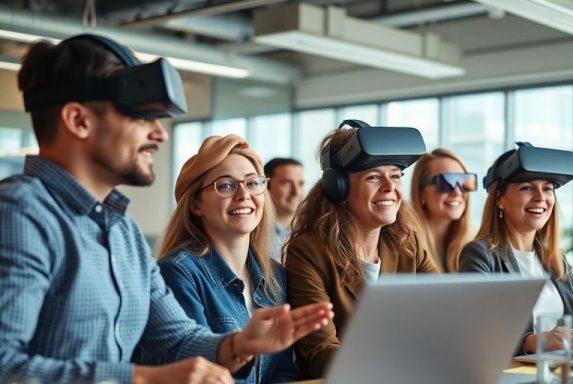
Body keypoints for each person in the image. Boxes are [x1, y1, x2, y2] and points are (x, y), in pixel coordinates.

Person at [0, 33, 332, 384]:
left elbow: (176, 338)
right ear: (79, 121)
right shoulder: (20, 215)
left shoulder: (121, 231)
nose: (160, 134)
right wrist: (142, 379)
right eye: (140, 117)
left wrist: (237, 344)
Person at [283, 121, 440, 379]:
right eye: (374, 177)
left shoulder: (407, 243)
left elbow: (444, 314)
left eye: (396, 175)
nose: (390, 187)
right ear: (339, 188)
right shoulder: (308, 252)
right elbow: (320, 353)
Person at [153, 135, 299, 383]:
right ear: (196, 205)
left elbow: (283, 372)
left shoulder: (275, 276)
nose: (244, 195)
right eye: (226, 185)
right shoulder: (178, 273)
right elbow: (193, 373)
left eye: (252, 183)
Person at [459, 143, 573, 355]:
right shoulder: (480, 254)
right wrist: (535, 341)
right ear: (499, 199)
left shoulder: (555, 259)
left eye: (548, 188)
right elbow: (475, 328)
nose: (540, 197)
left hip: (564, 369)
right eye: (527, 188)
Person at [410, 148, 476, 272]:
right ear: (421, 192)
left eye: (464, 182)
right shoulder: (406, 247)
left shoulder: (475, 245)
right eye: (446, 182)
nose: (457, 192)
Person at [264, 157, 304, 260]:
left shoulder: (313, 231)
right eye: (286, 183)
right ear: (267, 186)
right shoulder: (251, 233)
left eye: (300, 184)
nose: (296, 192)